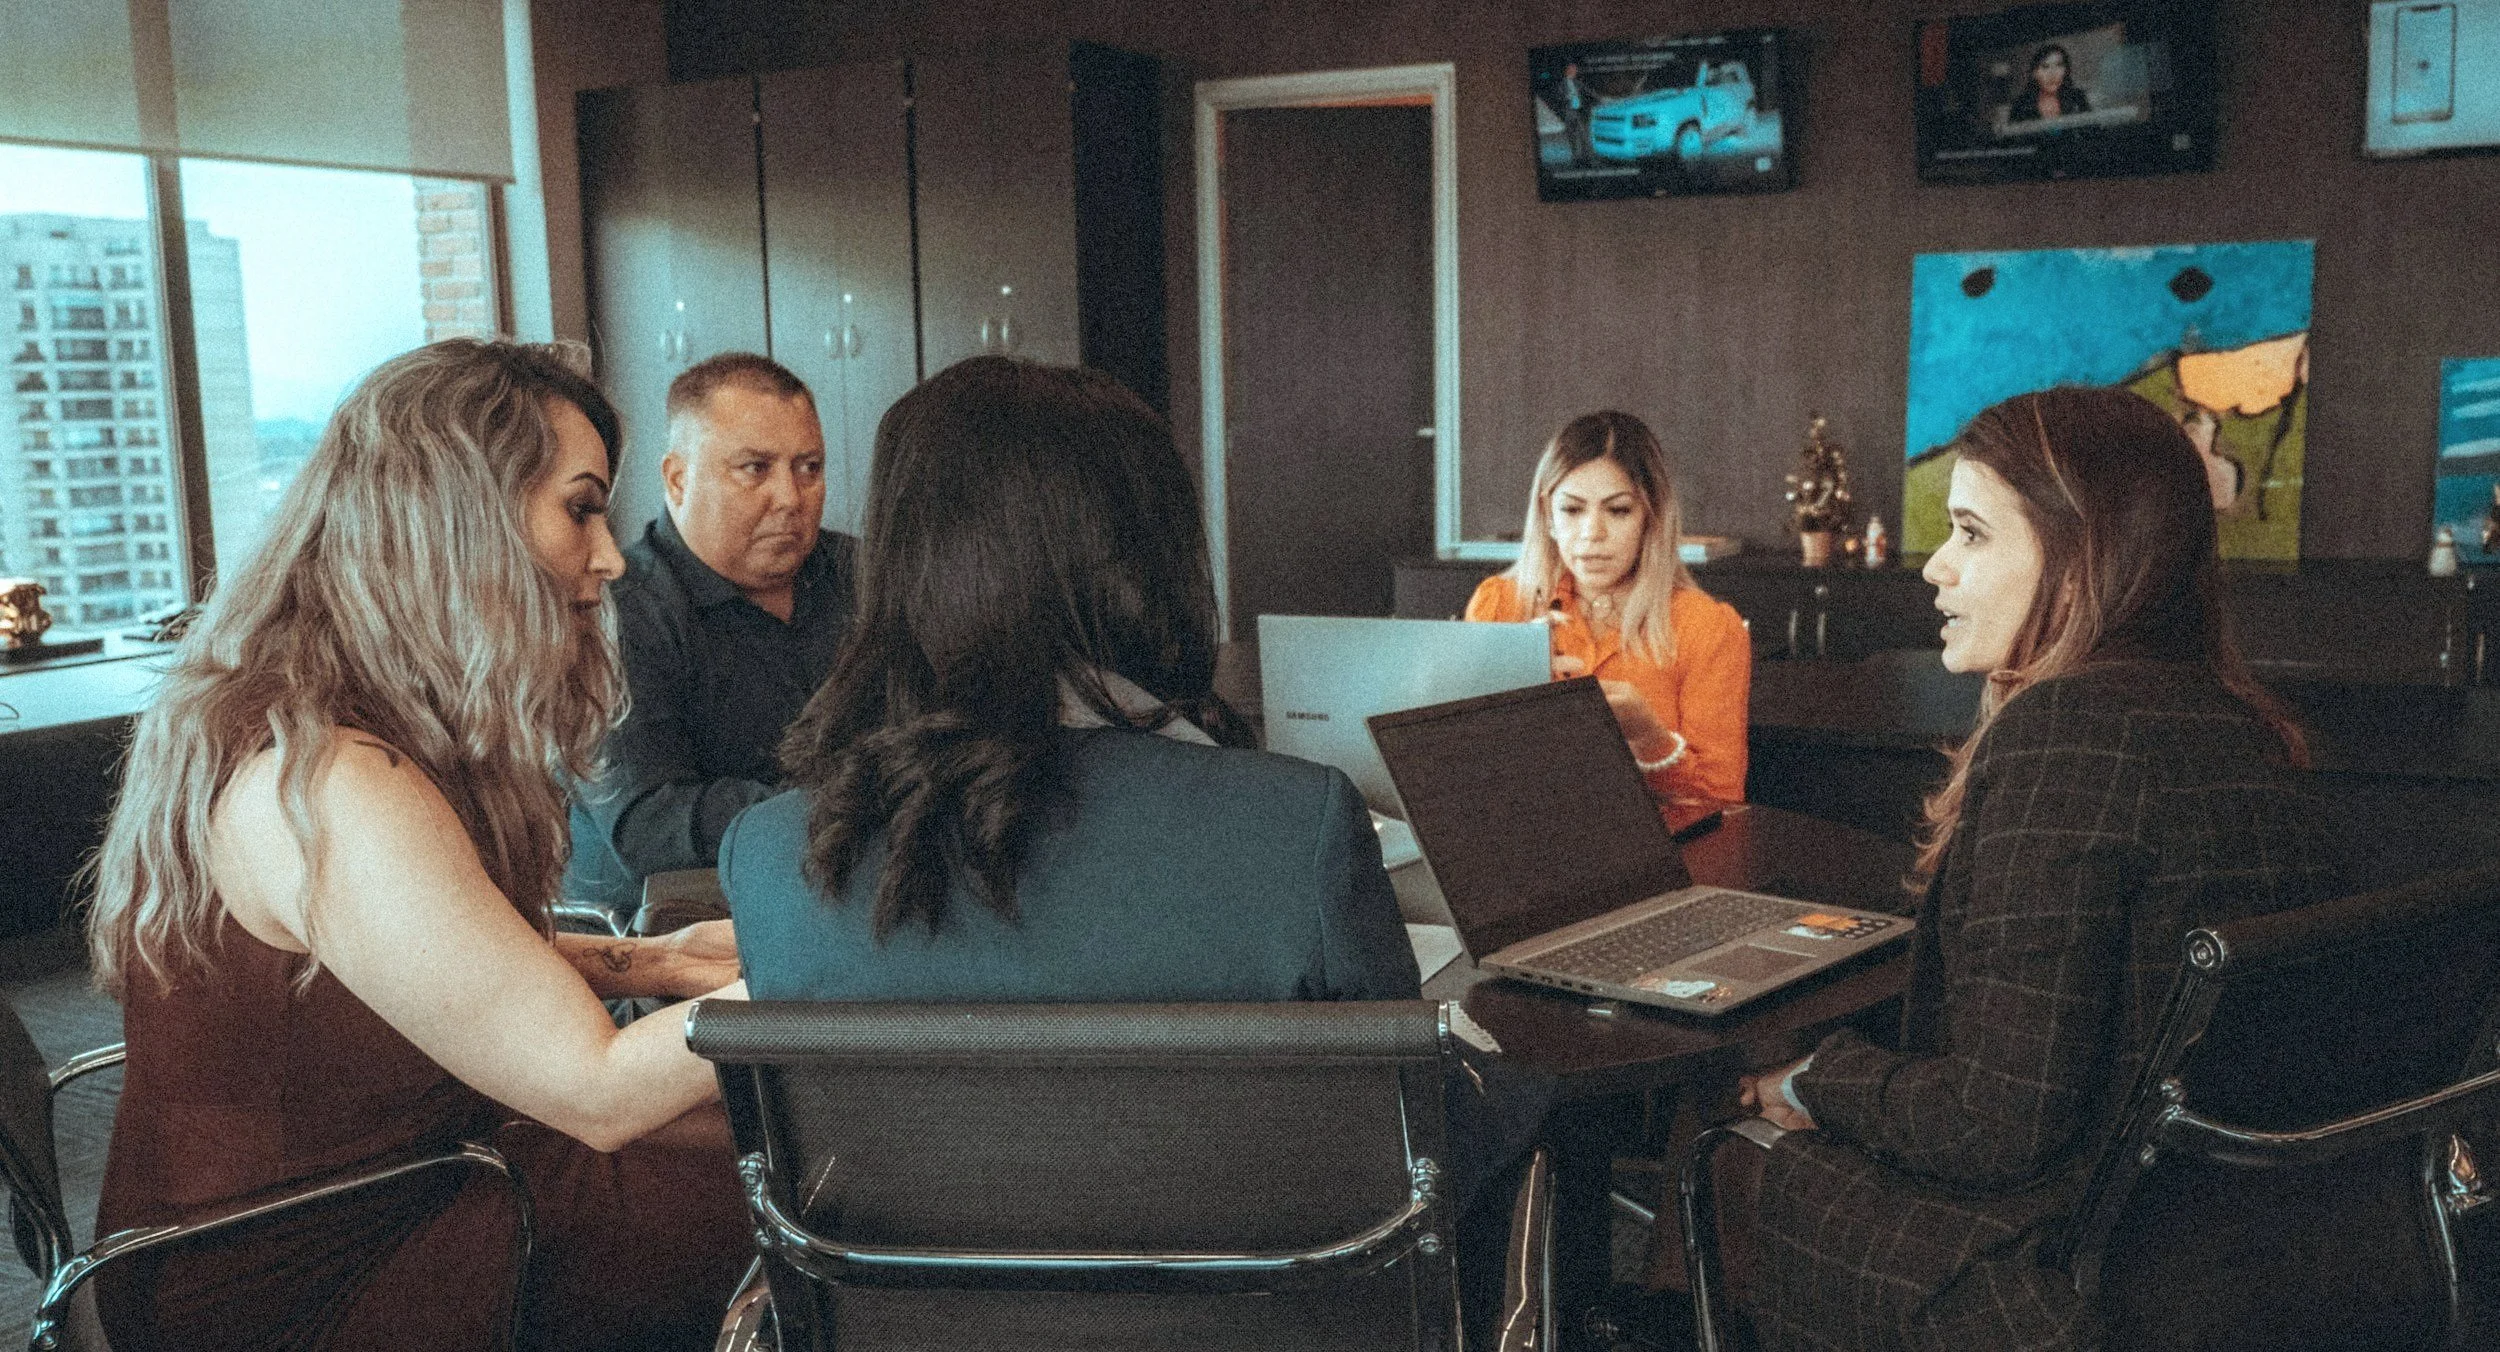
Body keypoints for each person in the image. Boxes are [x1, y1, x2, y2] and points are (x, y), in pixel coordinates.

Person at [86, 340, 754, 1352]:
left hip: (405, 1172)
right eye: (580, 507)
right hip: (308, 1272)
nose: (612, 556)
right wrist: (830, 965)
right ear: (459, 519)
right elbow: (600, 1086)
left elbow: (405, 956)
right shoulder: (329, 777)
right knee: (802, 1195)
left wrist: (646, 958)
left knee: (778, 1132)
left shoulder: (326, 715)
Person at [1725, 387, 2338, 1350]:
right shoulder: (2245, 726)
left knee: (1725, 1152)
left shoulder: (2070, 732)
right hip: (2221, 1241)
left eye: (1971, 533)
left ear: (2084, 552)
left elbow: (1992, 1121)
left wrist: (1817, 1080)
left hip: (2057, 1270)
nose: (1935, 568)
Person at [564, 351, 857, 917]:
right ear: (678, 479)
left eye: (809, 468)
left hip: (842, 905)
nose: (790, 498)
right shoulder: (611, 610)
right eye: (755, 469)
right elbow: (650, 825)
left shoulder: (867, 577)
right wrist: (851, 805)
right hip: (670, 943)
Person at [1464, 410, 1751, 804]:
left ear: (1651, 518)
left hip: (1655, 853)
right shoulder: (1499, 606)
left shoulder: (1708, 628)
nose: (1592, 533)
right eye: (1572, 510)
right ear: (1548, 515)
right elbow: (1463, 775)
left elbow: (1723, 802)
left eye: (1617, 510)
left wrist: (1651, 738)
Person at [2007, 43, 2091, 123]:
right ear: (2034, 73)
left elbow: (2092, 131)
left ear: (2066, 70)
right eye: (2045, 66)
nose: (2052, 73)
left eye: (2059, 65)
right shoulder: (2021, 105)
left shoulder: (2077, 98)